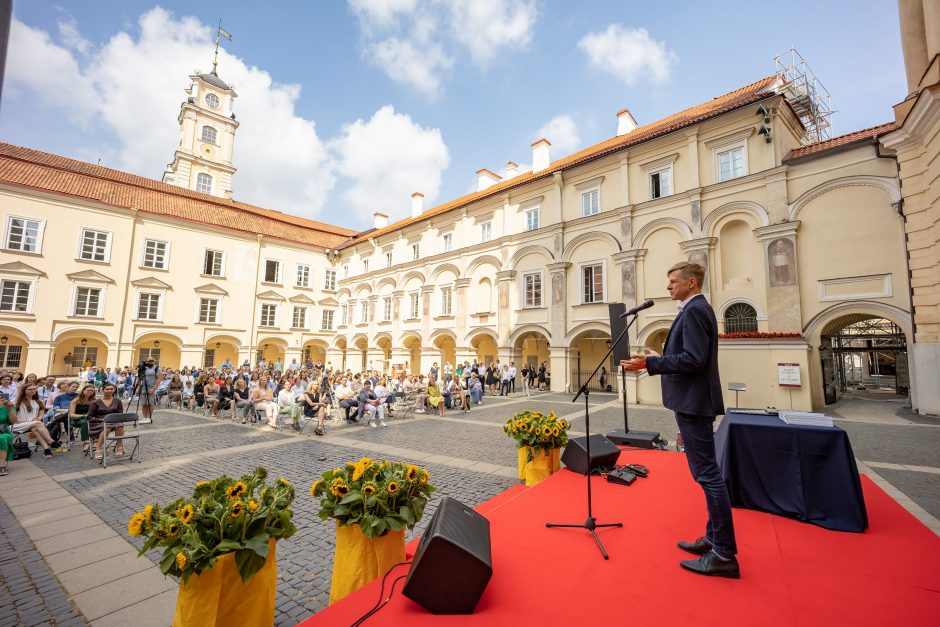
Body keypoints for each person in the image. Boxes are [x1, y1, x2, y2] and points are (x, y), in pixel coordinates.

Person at [622, 261, 738, 579]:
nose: (669, 286)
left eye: (673, 281)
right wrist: (655, 358)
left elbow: (694, 359)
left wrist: (653, 362)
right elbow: (688, 355)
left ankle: (724, 553)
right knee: (707, 474)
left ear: (691, 282)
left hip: (694, 403)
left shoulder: (696, 310)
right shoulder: (693, 308)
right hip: (691, 401)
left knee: (708, 477)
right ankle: (714, 538)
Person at [12, 384, 57, 458]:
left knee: (35, 428)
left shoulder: (40, 401)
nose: (33, 391)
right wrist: (30, 422)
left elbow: (41, 415)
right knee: (37, 424)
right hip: (18, 424)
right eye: (30, 389)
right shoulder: (17, 402)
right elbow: (14, 418)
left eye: (34, 389)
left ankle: (47, 450)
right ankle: (51, 441)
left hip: (34, 424)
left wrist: (38, 419)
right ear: (24, 391)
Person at [87, 383, 124, 460]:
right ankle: (98, 449)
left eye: (111, 389)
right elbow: (90, 417)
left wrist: (114, 419)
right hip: (98, 422)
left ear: (114, 390)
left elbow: (120, 414)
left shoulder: (117, 401)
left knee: (120, 426)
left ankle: (119, 446)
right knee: (107, 427)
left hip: (114, 422)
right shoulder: (95, 402)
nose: (109, 391)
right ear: (102, 390)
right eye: (107, 389)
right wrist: (102, 420)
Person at [68, 384, 96, 453]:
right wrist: (83, 416)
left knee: (99, 421)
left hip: (90, 419)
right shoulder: (76, 400)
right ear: (83, 391)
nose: (90, 392)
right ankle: (86, 442)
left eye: (92, 390)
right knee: (85, 422)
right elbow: (71, 415)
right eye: (88, 390)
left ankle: (96, 441)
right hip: (76, 420)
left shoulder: (94, 400)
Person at [1, 397, 17, 475]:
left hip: (3, 432)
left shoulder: (8, 407)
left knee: (1, 438)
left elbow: (13, 421)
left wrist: (10, 410)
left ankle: (1, 465)